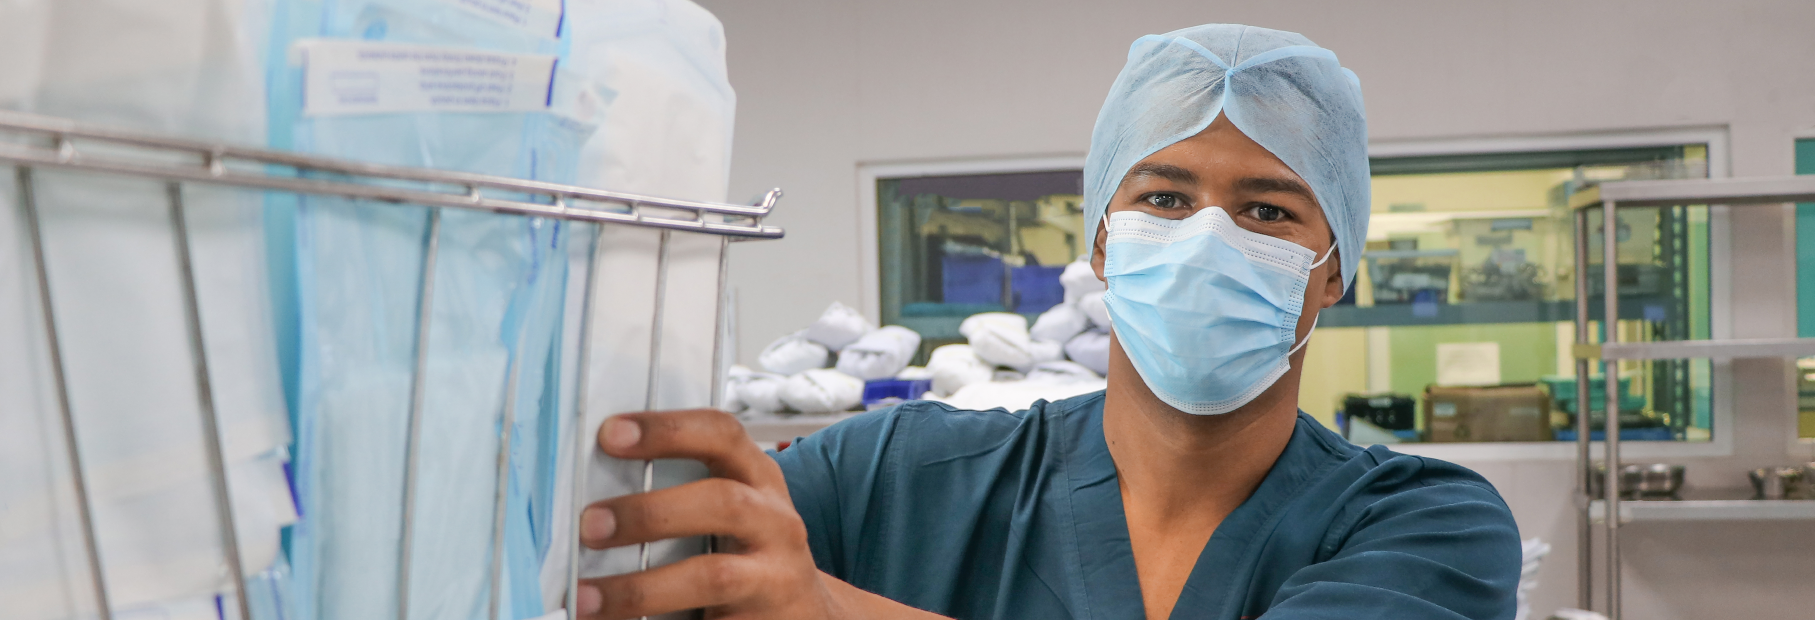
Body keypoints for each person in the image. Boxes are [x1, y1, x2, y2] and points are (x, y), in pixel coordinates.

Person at [572, 23, 1522, 620]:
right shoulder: (888, 479)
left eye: (1268, 211)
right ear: (1103, 245)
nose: (1206, 240)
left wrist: (824, 607)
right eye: (1163, 197)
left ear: (1335, 271)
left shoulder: (1425, 525)